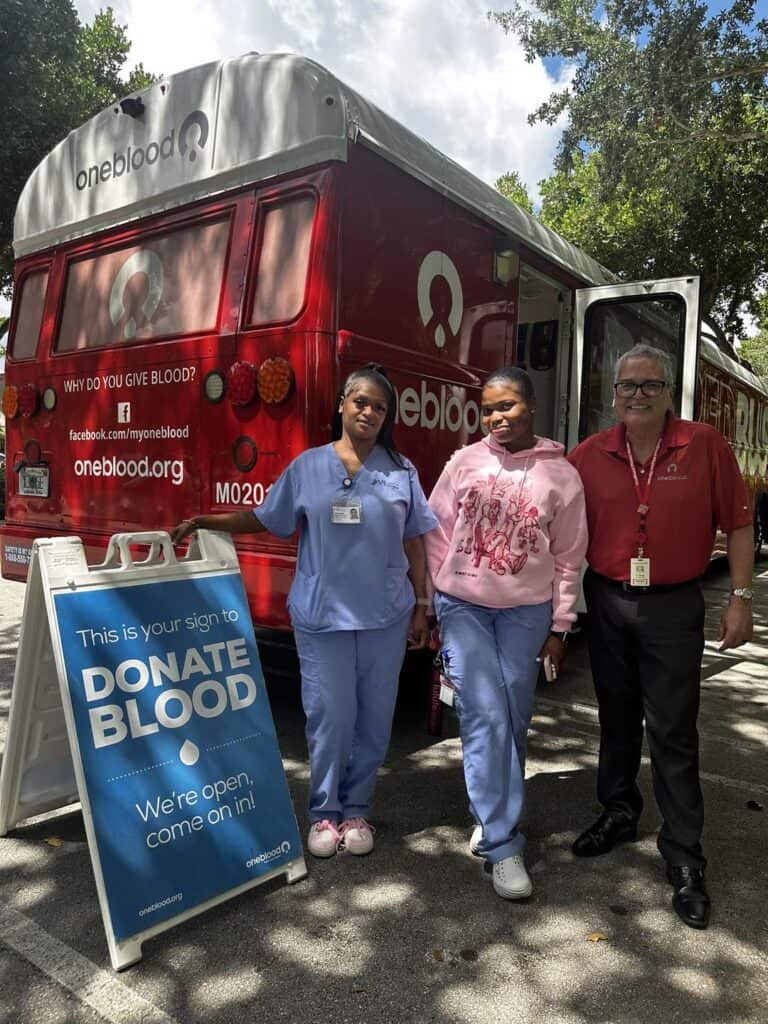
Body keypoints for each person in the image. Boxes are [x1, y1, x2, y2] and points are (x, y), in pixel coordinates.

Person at [172, 364, 438, 859]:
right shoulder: (308, 467)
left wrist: (423, 604)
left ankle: (356, 809)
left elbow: (415, 542)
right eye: (361, 401)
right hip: (322, 615)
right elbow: (264, 517)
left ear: (387, 417)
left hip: (386, 615)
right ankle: (324, 812)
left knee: (375, 719)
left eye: (380, 407)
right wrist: (206, 520)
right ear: (342, 404)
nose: (369, 412)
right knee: (330, 717)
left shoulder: (401, 471)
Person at [568, 343, 754, 930]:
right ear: (614, 395)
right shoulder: (590, 453)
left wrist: (741, 598)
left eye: (650, 384)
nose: (638, 395)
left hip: (674, 605)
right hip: (607, 599)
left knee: (672, 729)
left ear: (669, 391)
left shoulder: (704, 445)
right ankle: (619, 811)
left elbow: (739, 522)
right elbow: (549, 515)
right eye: (627, 385)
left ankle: (684, 854)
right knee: (616, 716)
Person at [425, 367, 588, 900]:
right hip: (464, 607)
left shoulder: (561, 475)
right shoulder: (464, 463)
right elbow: (436, 531)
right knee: (485, 715)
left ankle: (488, 812)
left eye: (508, 406)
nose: (496, 417)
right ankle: (502, 844)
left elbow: (569, 558)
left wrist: (561, 626)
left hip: (526, 613)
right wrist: (436, 596)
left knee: (514, 717)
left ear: (532, 406)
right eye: (488, 409)